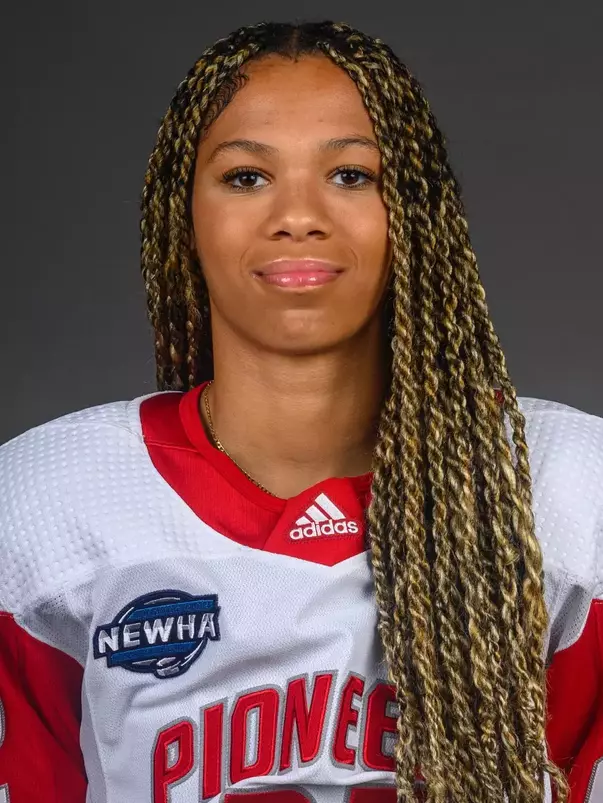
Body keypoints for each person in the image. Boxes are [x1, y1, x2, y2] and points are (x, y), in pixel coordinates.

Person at [0, 19, 601, 803]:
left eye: (351, 175)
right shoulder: (45, 503)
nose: (298, 215)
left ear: (416, 213)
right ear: (181, 214)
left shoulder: (568, 488)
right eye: (246, 176)